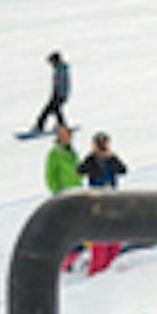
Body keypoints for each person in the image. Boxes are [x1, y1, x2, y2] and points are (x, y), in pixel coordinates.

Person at [76, 131, 128, 275]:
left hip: (112, 199)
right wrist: (92, 159)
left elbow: (123, 170)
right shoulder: (91, 160)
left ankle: (110, 265)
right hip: (97, 200)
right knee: (100, 235)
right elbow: (80, 170)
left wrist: (111, 157)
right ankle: (96, 268)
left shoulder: (111, 159)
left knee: (114, 235)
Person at [29, 51, 70, 136]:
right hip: (58, 94)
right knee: (55, 110)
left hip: (59, 94)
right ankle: (62, 125)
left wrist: (58, 95)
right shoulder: (59, 69)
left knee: (48, 110)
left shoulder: (61, 70)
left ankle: (40, 126)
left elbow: (62, 84)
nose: (51, 64)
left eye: (51, 61)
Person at [44, 124, 83, 195]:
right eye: (62, 135)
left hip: (77, 191)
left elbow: (77, 170)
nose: (66, 137)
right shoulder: (54, 154)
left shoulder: (72, 152)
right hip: (64, 193)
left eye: (67, 134)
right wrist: (56, 192)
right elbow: (50, 176)